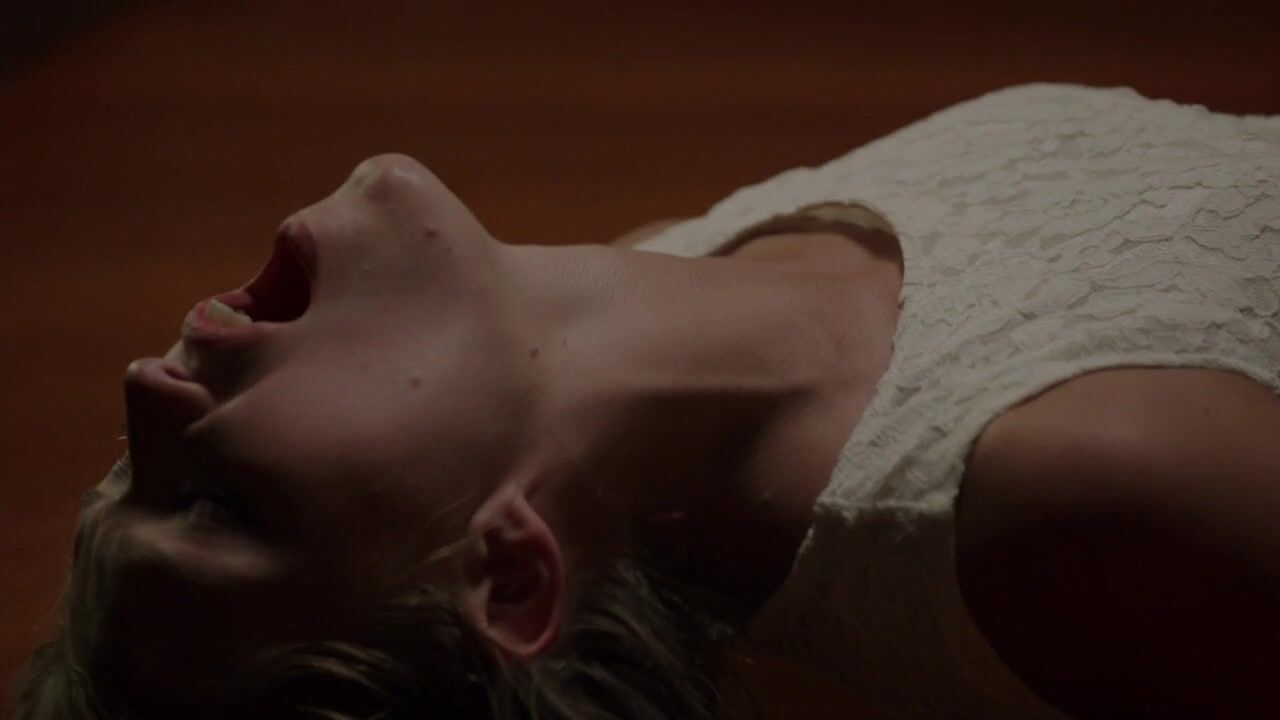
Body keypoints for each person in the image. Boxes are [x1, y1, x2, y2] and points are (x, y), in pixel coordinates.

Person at [11, 82, 1280, 719]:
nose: (145, 388)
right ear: (507, 573)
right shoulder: (1077, 497)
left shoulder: (667, 261)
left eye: (123, 472)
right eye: (219, 506)